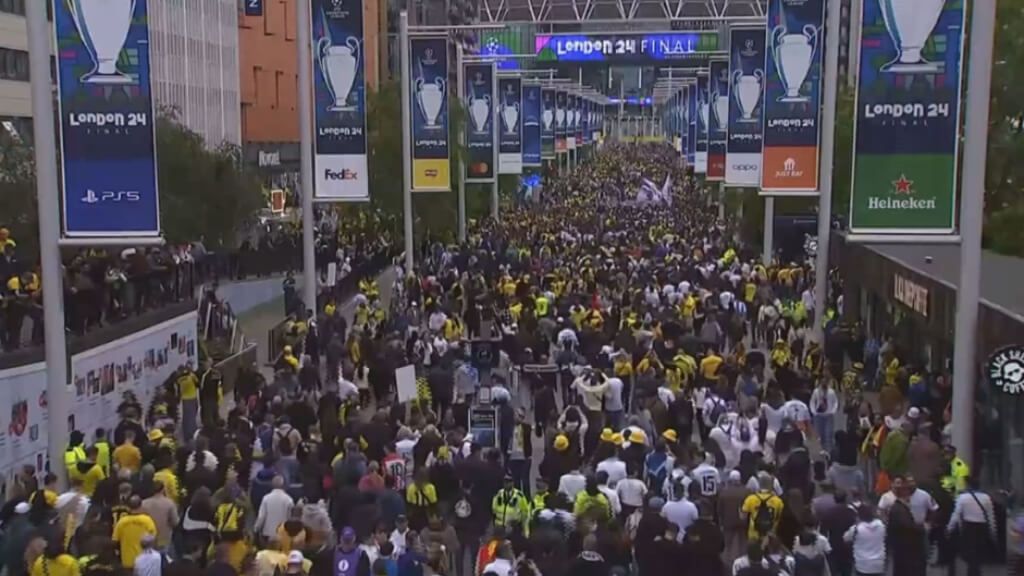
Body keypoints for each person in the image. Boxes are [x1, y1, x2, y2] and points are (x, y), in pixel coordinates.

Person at [946, 476, 997, 576]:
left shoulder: (963, 498)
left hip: (969, 528)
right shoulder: (986, 497)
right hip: (982, 528)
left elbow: (956, 515)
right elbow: (991, 516)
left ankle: (973, 571)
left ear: (968, 485)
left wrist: (949, 528)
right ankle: (975, 571)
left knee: (970, 554)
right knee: (978, 553)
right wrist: (993, 531)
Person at [112, 495, 157, 569]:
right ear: (141, 505)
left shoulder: (122, 522)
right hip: (144, 562)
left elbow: (115, 541)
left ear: (128, 507)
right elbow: (154, 538)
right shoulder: (147, 521)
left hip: (127, 562)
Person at [843, 504, 886, 576]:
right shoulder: (881, 525)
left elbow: (845, 538)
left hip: (862, 564)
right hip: (878, 563)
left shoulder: (856, 528)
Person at [741, 473, 784, 542]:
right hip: (771, 535)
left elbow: (743, 517)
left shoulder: (750, 499)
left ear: (759, 484)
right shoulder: (778, 501)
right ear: (771, 485)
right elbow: (780, 517)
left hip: (753, 534)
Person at [255, 475, 294, 545]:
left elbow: (261, 516)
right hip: (283, 533)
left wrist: (256, 528)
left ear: (272, 485)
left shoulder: (266, 498)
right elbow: (290, 518)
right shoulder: (288, 499)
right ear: (284, 485)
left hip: (267, 532)